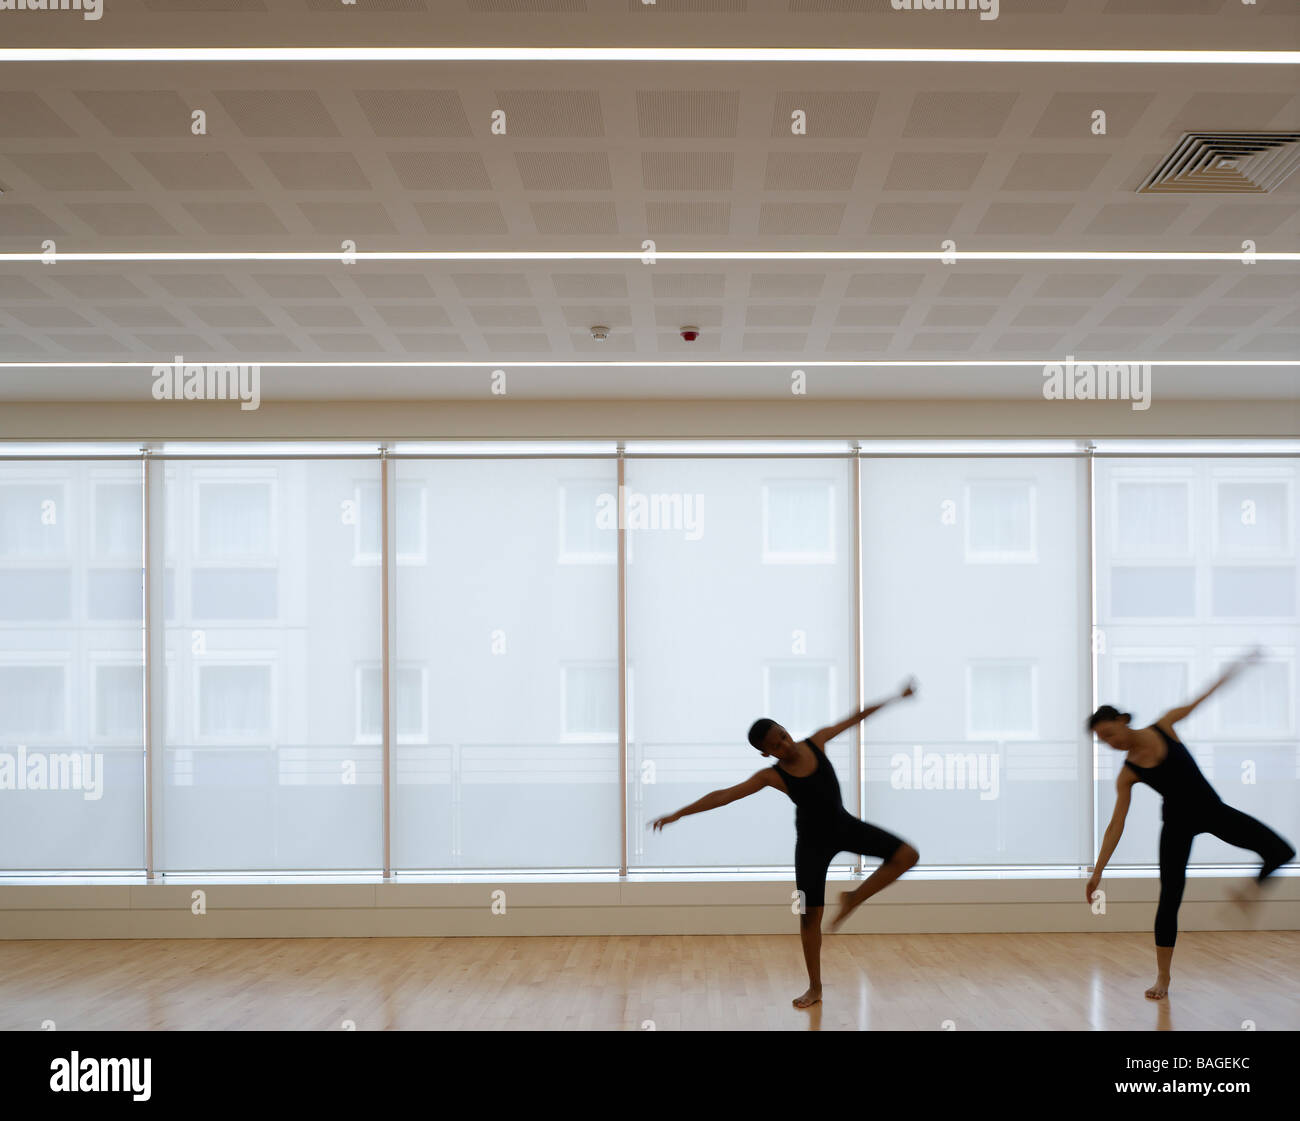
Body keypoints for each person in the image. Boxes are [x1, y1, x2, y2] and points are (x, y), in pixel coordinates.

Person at [650, 679, 920, 1009]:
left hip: (844, 826)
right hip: (811, 845)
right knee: (808, 916)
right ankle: (815, 987)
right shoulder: (771, 776)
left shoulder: (817, 741)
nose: (785, 745)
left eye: (783, 735)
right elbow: (725, 796)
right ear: (766, 752)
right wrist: (679, 813)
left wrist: (896, 697)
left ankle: (853, 897)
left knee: (907, 855)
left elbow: (857, 717)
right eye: (776, 745)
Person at [1086, 648, 1295, 1000]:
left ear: (1122, 720)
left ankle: (1248, 892)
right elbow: (1115, 825)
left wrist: (1239, 667)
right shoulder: (1128, 774)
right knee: (1169, 898)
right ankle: (1163, 978)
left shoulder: (1165, 725)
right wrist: (1097, 872)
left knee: (1282, 851)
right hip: (1177, 825)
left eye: (1110, 733)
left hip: (1212, 811)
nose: (1110, 743)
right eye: (1103, 741)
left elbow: (1204, 696)